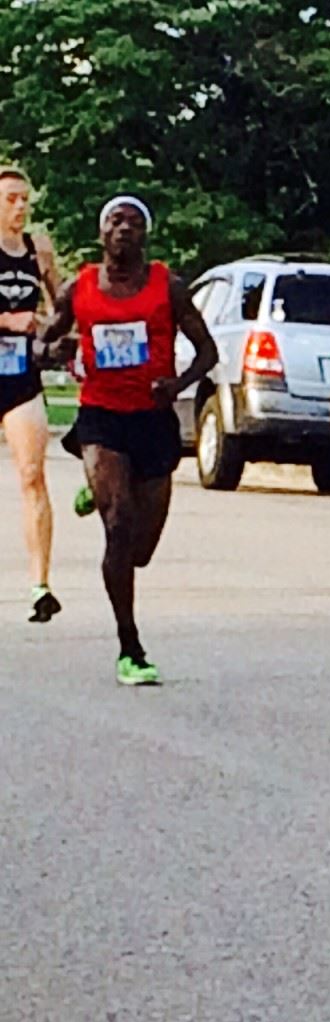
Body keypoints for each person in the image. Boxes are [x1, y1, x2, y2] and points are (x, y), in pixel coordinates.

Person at [39, 195, 218, 685]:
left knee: (139, 549)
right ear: (102, 234)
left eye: (133, 223)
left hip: (153, 421)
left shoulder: (169, 287)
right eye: (114, 221)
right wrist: (54, 349)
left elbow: (208, 350)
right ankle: (130, 646)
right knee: (118, 525)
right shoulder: (78, 289)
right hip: (102, 418)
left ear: (145, 235)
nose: (123, 229)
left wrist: (177, 386)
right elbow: (44, 346)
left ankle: (99, 489)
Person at [0, 167, 63, 622]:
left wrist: (51, 323)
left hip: (19, 373)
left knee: (31, 473)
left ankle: (40, 585)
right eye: (10, 200)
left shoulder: (35, 250)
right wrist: (8, 321)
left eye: (24, 199)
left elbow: (62, 307)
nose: (19, 208)